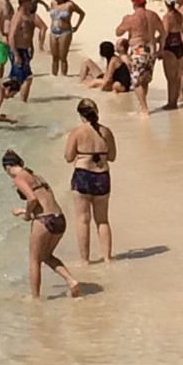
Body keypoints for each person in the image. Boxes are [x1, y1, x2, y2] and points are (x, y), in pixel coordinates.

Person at [1, 150, 81, 299]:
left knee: (34, 260)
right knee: (46, 256)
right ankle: (71, 281)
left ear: (8, 167)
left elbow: (32, 199)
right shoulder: (36, 175)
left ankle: (35, 297)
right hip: (59, 218)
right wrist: (25, 211)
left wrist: (26, 216)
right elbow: (45, 202)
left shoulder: (19, 178)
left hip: (44, 221)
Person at [64, 99, 117, 264]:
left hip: (83, 175)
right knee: (102, 220)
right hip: (102, 175)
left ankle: (85, 260)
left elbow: (68, 157)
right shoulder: (106, 132)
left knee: (82, 219)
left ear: (80, 114)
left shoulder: (77, 132)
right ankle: (107, 258)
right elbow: (112, 157)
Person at [115, 0, 165, 117]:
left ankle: (144, 108)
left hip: (138, 50)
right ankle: (143, 105)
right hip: (151, 49)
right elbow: (163, 32)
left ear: (135, 3)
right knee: (145, 80)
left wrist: (124, 21)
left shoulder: (131, 18)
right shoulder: (153, 15)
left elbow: (118, 32)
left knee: (136, 80)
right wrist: (161, 48)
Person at [48, 0, 85, 77]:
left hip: (65, 32)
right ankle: (54, 75)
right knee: (54, 57)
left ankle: (63, 75)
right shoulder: (53, 3)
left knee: (63, 57)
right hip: (53, 32)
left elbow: (82, 13)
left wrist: (77, 26)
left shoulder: (70, 5)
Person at [8, 0, 37, 102]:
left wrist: (31, 46)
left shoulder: (28, 15)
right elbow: (11, 36)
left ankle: (20, 101)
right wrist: (16, 54)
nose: (31, 4)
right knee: (23, 78)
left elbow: (28, 33)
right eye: (29, 2)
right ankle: (19, 102)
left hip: (25, 50)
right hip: (18, 50)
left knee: (22, 78)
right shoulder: (18, 16)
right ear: (24, 3)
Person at [160, 0, 183, 109]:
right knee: (176, 75)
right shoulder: (178, 15)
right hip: (179, 44)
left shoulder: (167, 17)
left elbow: (165, 33)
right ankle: (175, 99)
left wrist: (160, 48)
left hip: (170, 46)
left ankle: (171, 102)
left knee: (170, 78)